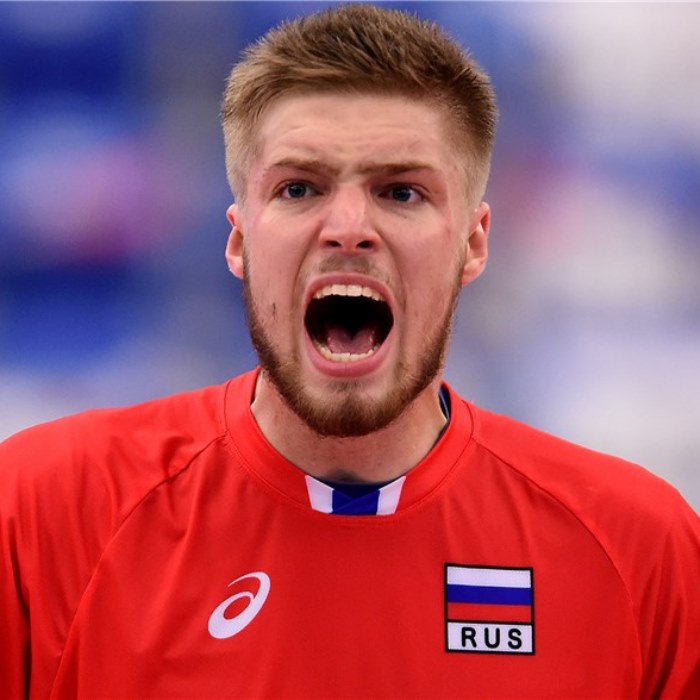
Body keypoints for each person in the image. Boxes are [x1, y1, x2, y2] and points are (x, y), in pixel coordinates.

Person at [1, 4, 698, 698]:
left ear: (473, 243)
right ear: (239, 241)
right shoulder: (44, 514)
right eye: (299, 188)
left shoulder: (640, 550)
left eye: (401, 192)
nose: (348, 226)